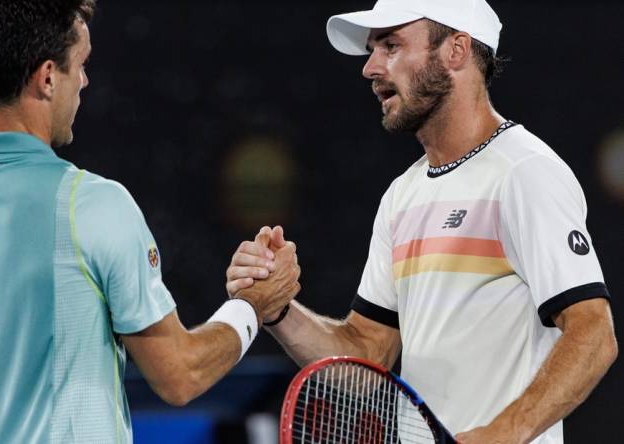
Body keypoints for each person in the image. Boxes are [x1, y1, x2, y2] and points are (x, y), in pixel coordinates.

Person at [0, 1, 300, 442]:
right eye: (80, 64)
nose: (85, 79)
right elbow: (180, 374)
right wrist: (252, 308)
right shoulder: (96, 206)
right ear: (46, 78)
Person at [227, 0, 617, 442]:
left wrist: (502, 433)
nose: (370, 68)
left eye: (391, 45)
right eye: (373, 49)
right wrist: (277, 309)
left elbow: (593, 333)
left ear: (456, 50)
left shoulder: (524, 174)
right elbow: (368, 355)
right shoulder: (402, 196)